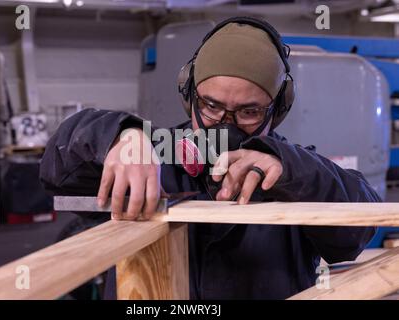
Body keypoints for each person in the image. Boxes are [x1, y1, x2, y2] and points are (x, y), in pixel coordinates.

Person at [40, 17, 378, 299]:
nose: (225, 124)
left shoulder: (295, 172)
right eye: (211, 105)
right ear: (190, 95)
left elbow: (356, 232)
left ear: (277, 109)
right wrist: (117, 135)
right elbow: (56, 171)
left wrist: (292, 171)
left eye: (249, 111)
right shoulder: (154, 155)